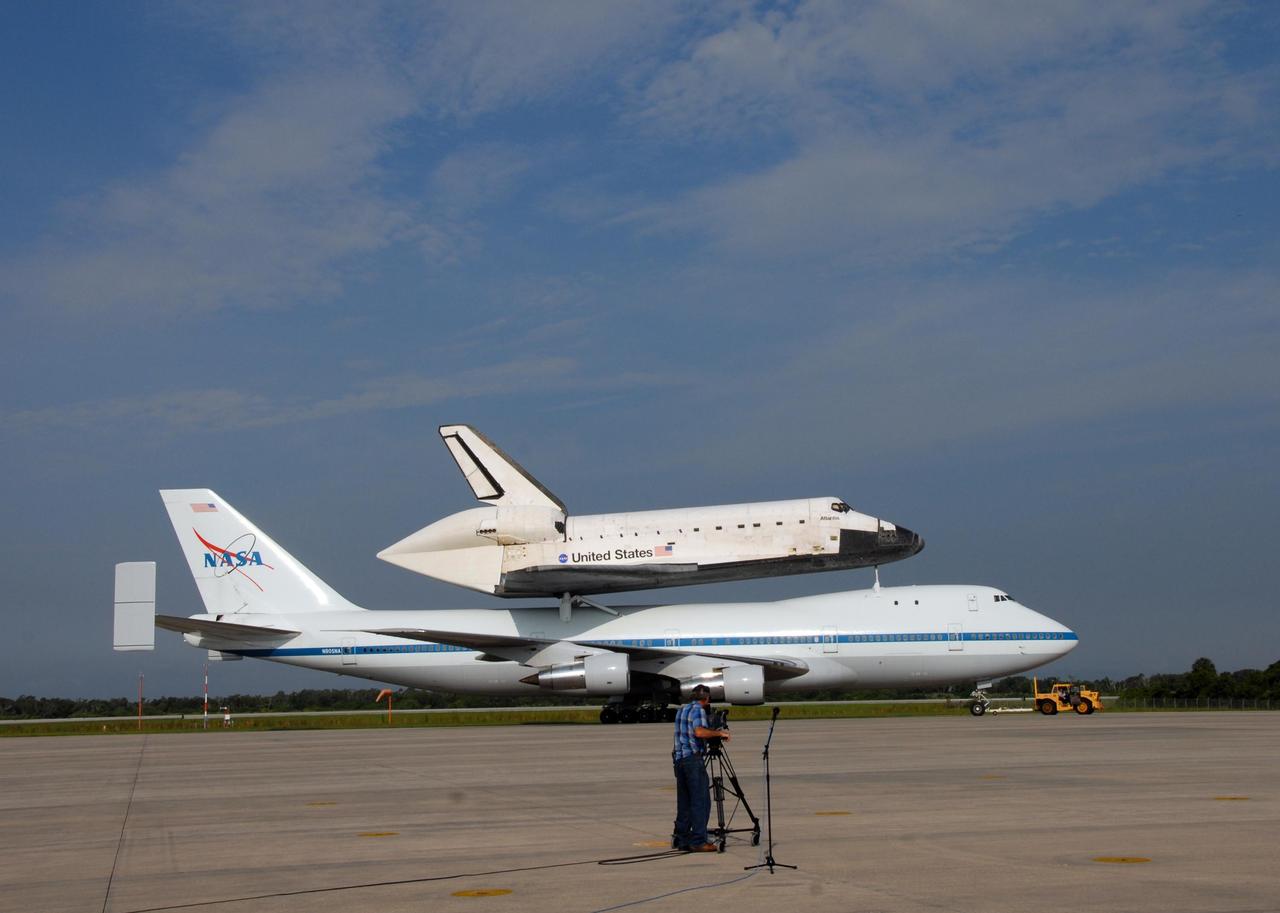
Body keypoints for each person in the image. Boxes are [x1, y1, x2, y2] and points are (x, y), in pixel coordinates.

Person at [672, 684, 731, 852]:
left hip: (679, 760)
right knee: (700, 801)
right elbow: (699, 732)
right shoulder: (698, 710)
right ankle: (698, 839)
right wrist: (719, 733)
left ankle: (682, 838)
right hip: (692, 759)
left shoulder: (681, 710)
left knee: (684, 802)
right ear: (707, 699)